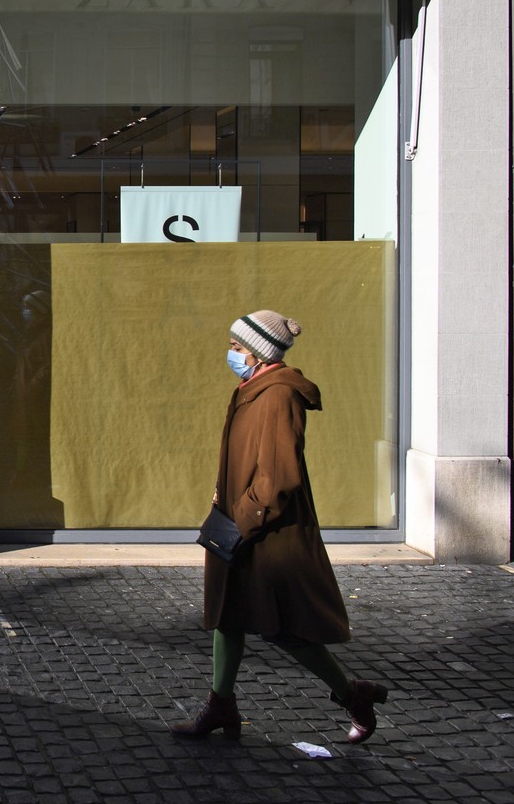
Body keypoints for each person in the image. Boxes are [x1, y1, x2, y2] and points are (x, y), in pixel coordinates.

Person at [170, 310, 388, 744]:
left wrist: (244, 518)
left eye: (237, 347)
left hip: (266, 534)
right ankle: (221, 707)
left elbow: (277, 477)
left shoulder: (277, 395)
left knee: (287, 629)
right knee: (227, 617)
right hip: (242, 524)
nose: (230, 354)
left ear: (259, 352)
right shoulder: (254, 388)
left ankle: (351, 694)